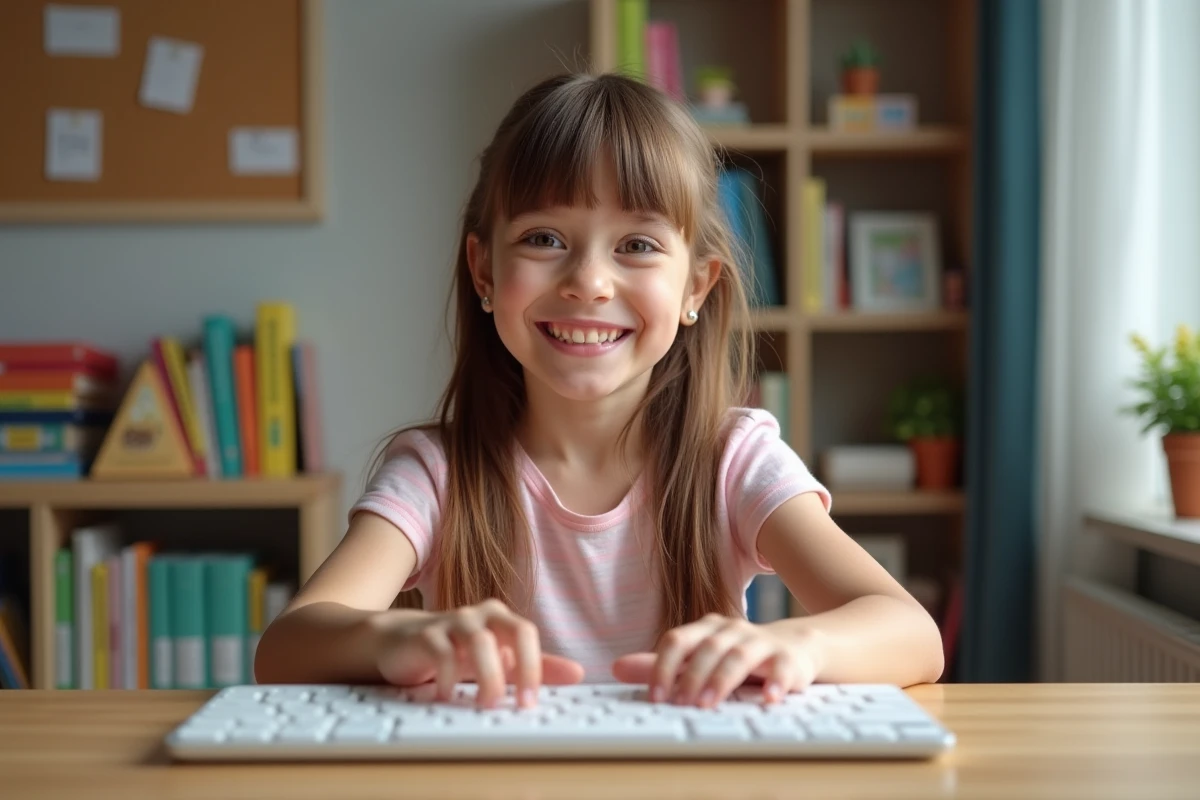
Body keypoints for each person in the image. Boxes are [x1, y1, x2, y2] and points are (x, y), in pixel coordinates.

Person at [254, 72, 944, 709]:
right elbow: (287, 649)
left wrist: (800, 644)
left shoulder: (733, 458)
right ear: (484, 270)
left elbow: (913, 633)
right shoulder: (437, 472)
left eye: (637, 246)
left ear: (695, 287)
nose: (589, 281)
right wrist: (394, 641)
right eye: (545, 238)